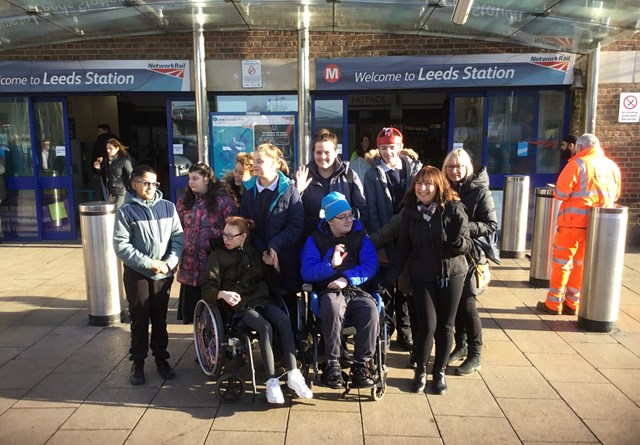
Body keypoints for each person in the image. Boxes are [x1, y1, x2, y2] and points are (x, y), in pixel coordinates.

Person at [202, 216, 313, 404]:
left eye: (231, 236)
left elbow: (273, 281)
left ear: (244, 236)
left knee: (285, 320)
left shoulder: (255, 252)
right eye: (224, 235)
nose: (226, 239)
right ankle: (272, 381)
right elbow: (207, 289)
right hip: (239, 305)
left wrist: (274, 265)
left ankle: (294, 373)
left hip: (262, 298)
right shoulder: (217, 255)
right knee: (265, 327)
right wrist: (223, 294)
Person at [382, 166, 471, 395]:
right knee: (426, 327)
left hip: (452, 274)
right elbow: (402, 250)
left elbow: (466, 245)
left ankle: (439, 372)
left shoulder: (453, 209)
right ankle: (421, 370)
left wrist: (455, 240)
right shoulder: (410, 213)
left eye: (428, 184)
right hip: (421, 276)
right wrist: (389, 276)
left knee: (445, 327)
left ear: (438, 186)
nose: (422, 188)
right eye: (419, 184)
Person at [113, 164, 184, 386]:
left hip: (163, 273)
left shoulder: (168, 207)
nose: (151, 187)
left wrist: (169, 263)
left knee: (160, 319)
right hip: (137, 274)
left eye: (154, 183)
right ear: (134, 184)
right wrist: (149, 263)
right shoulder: (126, 211)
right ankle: (138, 363)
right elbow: (121, 245)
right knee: (140, 319)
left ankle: (162, 360)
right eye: (146, 183)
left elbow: (178, 238)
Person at [300, 192, 379, 388]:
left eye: (350, 214)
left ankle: (361, 365)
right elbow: (307, 272)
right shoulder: (315, 240)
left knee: (370, 309)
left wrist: (347, 278)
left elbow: (371, 265)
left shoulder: (361, 237)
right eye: (342, 216)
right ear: (330, 221)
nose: (348, 220)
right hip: (328, 290)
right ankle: (332, 364)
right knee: (333, 308)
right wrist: (331, 265)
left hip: (356, 288)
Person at [537, 133, 621, 316]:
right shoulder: (612, 166)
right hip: (597, 225)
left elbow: (560, 193)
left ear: (581, 147)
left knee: (562, 263)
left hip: (572, 224)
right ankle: (573, 303)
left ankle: (553, 303)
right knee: (580, 265)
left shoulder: (577, 164)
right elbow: (615, 196)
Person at [364, 127, 421, 353]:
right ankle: (386, 330)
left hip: (409, 238)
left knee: (405, 289)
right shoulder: (372, 174)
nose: (388, 152)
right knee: (386, 286)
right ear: (378, 149)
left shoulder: (415, 171)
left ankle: (404, 331)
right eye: (383, 148)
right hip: (385, 238)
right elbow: (371, 211)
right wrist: (379, 245)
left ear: (400, 146)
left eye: (392, 147)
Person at [443, 149, 498, 375]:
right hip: (450, 255)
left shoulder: (480, 191)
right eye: (450, 167)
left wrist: (463, 228)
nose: (454, 171)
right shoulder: (445, 189)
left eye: (459, 166)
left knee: (468, 305)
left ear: (468, 167)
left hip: (471, 255)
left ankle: (476, 354)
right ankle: (461, 344)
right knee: (454, 303)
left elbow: (491, 226)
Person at [240, 143, 303, 318]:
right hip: (259, 259)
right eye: (254, 161)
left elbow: (295, 226)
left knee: (288, 305)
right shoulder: (249, 191)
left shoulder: (289, 190)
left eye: (259, 161)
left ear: (274, 164)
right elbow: (247, 225)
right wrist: (264, 250)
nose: (254, 165)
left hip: (285, 259)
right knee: (263, 304)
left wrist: (275, 246)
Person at [176, 163, 237, 324]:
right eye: (189, 178)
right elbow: (177, 228)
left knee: (214, 309)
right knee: (195, 313)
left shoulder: (223, 201)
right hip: (190, 265)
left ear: (207, 179)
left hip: (212, 263)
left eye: (195, 178)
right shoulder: (184, 201)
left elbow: (232, 228)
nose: (191, 182)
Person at [295, 128, 368, 241]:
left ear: (335, 152)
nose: (323, 157)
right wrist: (298, 191)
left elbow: (362, 210)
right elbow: (293, 214)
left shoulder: (349, 176)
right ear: (313, 153)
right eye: (319, 152)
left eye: (327, 152)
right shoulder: (303, 176)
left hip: (344, 243)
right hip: (312, 243)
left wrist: (354, 236)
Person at [92, 138, 134, 209]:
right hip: (111, 193)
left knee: (118, 212)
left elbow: (131, 175)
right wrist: (98, 168)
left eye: (110, 148)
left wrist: (133, 190)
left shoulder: (124, 159)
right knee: (111, 213)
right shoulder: (107, 160)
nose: (108, 150)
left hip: (121, 192)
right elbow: (104, 174)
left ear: (117, 148)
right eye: (107, 148)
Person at [91, 124, 119, 200]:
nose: (98, 133)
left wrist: (95, 171)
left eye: (99, 131)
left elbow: (95, 157)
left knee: (106, 192)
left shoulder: (98, 143)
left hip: (103, 171)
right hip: (117, 173)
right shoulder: (116, 141)